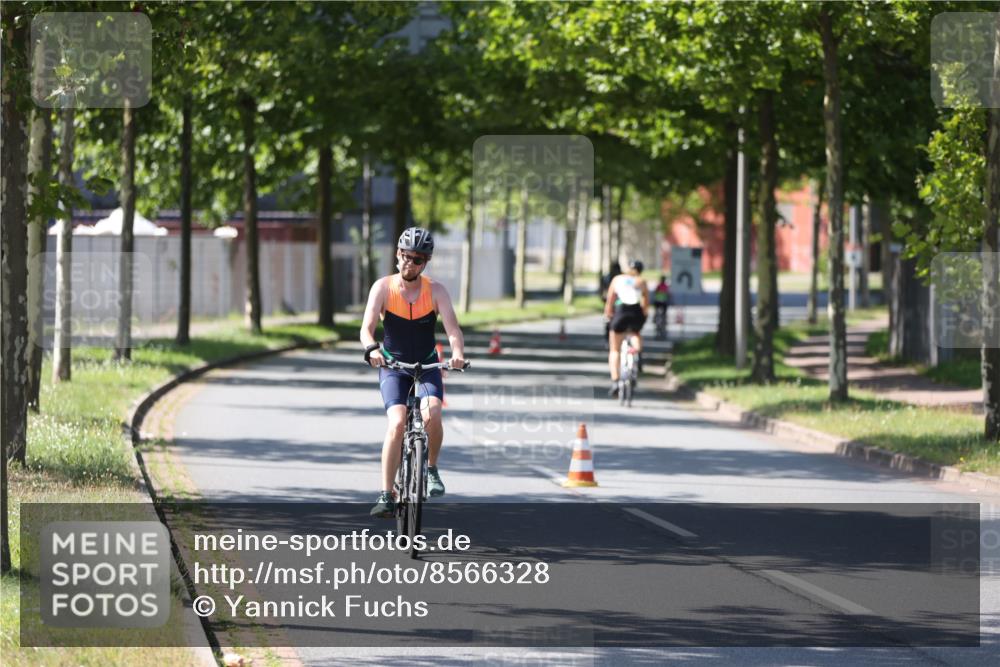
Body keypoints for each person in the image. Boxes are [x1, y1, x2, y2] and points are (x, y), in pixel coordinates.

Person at [360, 227, 466, 518]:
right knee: (396, 424)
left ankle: (431, 469)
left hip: (427, 364)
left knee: (433, 412)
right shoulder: (383, 287)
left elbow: (453, 330)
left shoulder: (436, 291)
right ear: (397, 254)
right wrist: (372, 349)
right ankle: (385, 494)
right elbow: (366, 328)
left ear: (426, 263)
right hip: (393, 366)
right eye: (407, 256)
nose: (411, 263)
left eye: (418, 260)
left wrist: (457, 354)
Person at [604, 259, 649, 396]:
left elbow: (610, 298)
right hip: (635, 312)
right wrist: (644, 315)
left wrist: (608, 312)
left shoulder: (618, 279)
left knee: (615, 350)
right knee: (635, 333)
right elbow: (645, 302)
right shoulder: (641, 281)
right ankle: (637, 356)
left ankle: (615, 381)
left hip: (620, 312)